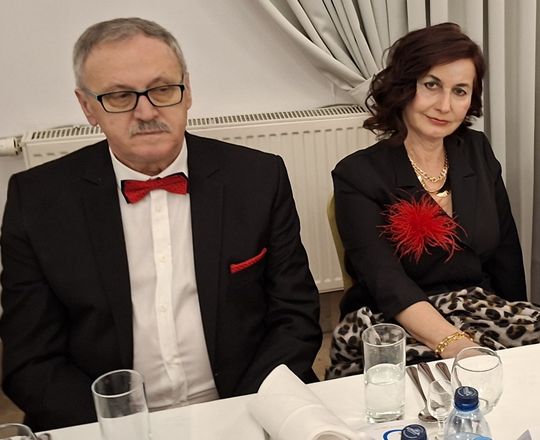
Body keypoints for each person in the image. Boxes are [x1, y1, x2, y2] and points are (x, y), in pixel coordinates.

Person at [0, 17, 322, 430]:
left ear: (187, 91)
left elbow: (295, 316)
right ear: (87, 107)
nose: (147, 111)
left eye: (163, 89)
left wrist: (239, 416)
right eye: (119, 96)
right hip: (106, 423)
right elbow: (31, 359)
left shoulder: (258, 177)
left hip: (244, 403)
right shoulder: (37, 200)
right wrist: (122, 427)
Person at [327, 22, 540, 379]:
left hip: (482, 311)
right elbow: (386, 283)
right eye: (431, 85)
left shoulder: (477, 151)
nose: (444, 105)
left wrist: (522, 333)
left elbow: (505, 255)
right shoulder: (357, 175)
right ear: (403, 86)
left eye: (460, 91)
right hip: (395, 322)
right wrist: (458, 345)